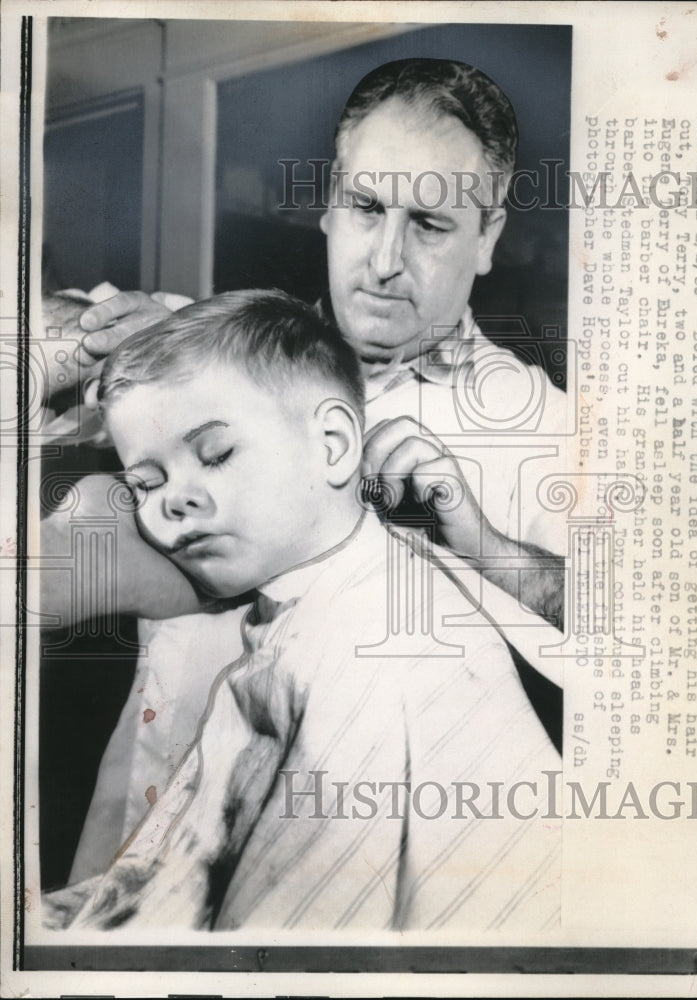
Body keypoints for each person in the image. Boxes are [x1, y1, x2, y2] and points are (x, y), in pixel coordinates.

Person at [44, 58, 571, 883]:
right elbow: (32, 347)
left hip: (330, 877)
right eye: (365, 207)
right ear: (330, 204)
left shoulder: (539, 424)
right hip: (131, 847)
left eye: (429, 225)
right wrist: (104, 336)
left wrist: (483, 543)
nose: (386, 259)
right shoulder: (206, 349)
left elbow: (656, 637)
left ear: (490, 237)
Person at [43, 289, 561, 933]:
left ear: (336, 444)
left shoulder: (365, 648)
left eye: (217, 455)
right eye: (147, 484)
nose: (174, 502)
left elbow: (294, 934)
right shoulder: (311, 587)